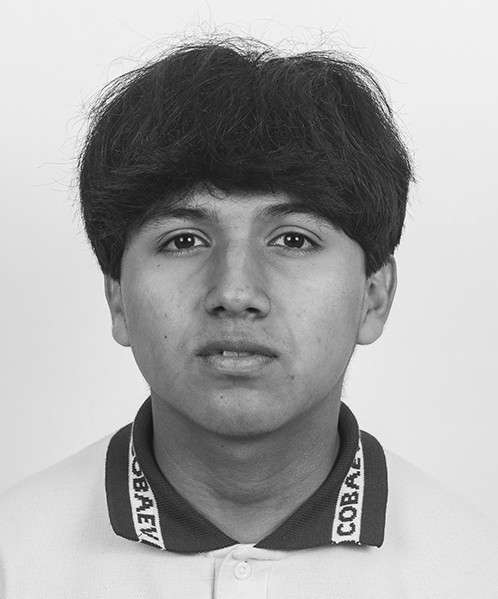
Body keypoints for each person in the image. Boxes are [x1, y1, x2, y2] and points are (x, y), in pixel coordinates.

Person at [0, 36, 496, 599]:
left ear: (374, 296)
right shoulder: (14, 560)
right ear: (118, 299)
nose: (235, 293)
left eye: (294, 239)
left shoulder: (476, 572)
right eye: (184, 240)